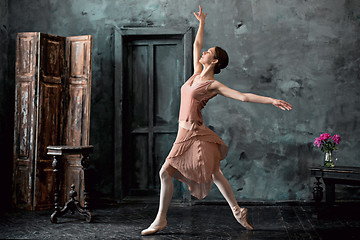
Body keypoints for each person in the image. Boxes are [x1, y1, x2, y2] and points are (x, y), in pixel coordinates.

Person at [141, 5, 293, 236]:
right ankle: (237, 210)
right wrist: (202, 22)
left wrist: (271, 100)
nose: (203, 53)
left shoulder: (213, 85)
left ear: (214, 62)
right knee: (213, 173)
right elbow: (196, 45)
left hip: (194, 133)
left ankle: (161, 219)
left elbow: (243, 96)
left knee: (169, 172)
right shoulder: (194, 74)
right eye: (205, 51)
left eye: (208, 53)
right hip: (186, 133)